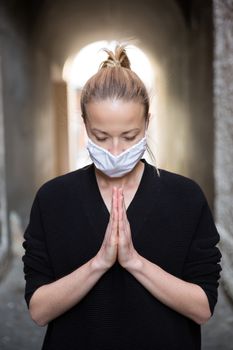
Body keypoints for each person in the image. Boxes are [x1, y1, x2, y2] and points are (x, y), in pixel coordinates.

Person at [22, 43, 222, 350]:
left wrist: (134, 262)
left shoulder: (186, 198)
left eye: (129, 137)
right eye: (101, 137)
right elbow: (39, 310)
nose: (115, 151)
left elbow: (202, 308)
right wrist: (99, 263)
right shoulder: (53, 199)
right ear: (85, 126)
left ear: (146, 124)